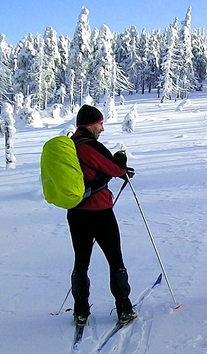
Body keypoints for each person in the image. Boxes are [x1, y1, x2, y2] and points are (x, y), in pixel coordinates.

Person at [67, 104, 136, 326]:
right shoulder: (91, 147)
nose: (102, 129)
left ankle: (80, 311)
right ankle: (124, 308)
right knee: (115, 259)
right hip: (100, 212)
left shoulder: (69, 146)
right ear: (90, 125)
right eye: (100, 124)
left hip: (76, 213)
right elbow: (114, 169)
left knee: (81, 262)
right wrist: (122, 165)